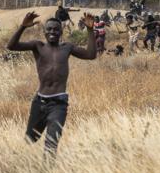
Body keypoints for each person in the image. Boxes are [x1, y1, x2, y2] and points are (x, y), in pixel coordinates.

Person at [7, 11, 96, 158]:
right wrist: (23, 27)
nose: (52, 32)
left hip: (59, 103)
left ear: (61, 31)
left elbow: (91, 55)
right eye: (49, 29)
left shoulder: (67, 47)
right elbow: (11, 46)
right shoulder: (38, 46)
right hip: (39, 101)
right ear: (44, 32)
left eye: (56, 29)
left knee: (51, 142)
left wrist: (90, 30)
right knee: (30, 139)